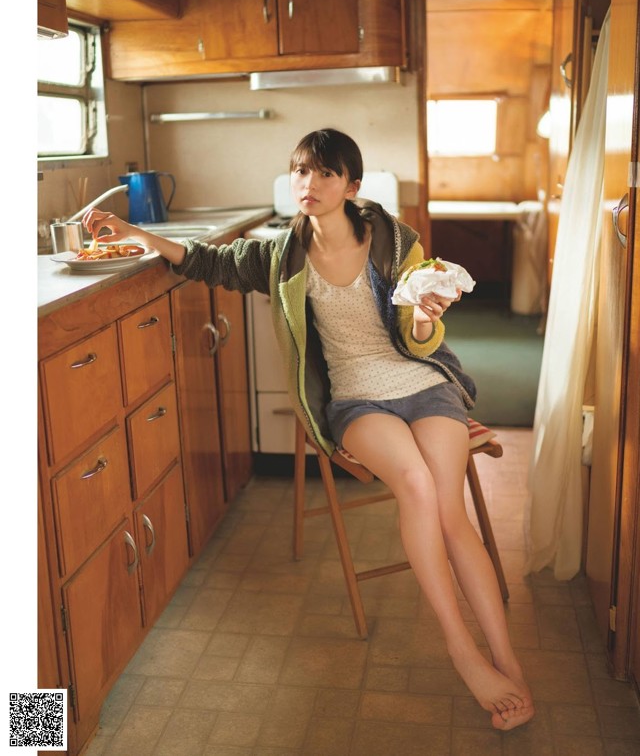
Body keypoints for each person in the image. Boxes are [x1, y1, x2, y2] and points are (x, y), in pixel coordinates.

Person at [83, 128, 534, 731]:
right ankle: (462, 648)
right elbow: (204, 261)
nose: (309, 184)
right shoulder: (281, 254)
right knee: (419, 487)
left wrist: (426, 319)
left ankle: (508, 660)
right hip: (355, 400)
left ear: (352, 186)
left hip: (423, 383)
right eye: (300, 172)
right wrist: (135, 233)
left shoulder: (397, 242)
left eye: (324, 174)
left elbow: (422, 339)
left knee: (449, 507)